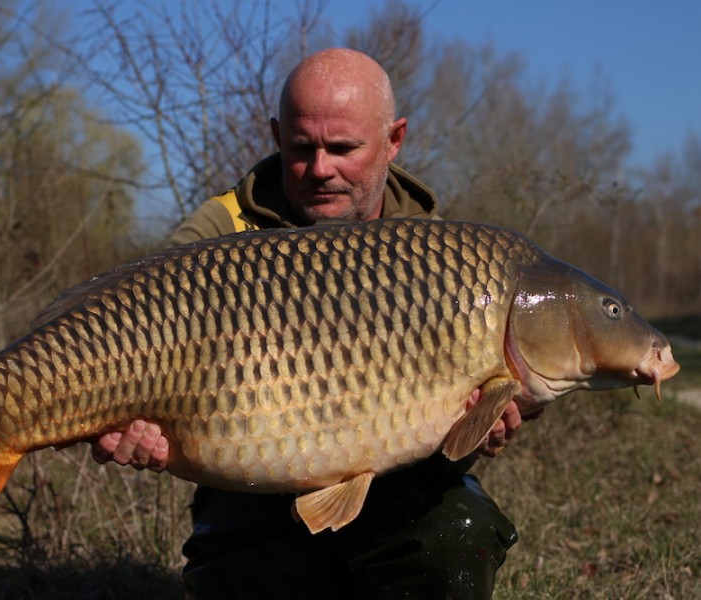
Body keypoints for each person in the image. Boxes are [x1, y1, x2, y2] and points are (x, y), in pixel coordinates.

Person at [93, 48, 528, 599]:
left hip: (400, 499)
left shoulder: (441, 253)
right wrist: (135, 424)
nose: (321, 168)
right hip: (251, 504)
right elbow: (132, 332)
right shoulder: (220, 229)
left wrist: (482, 430)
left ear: (394, 140)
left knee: (459, 535)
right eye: (301, 148)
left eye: (343, 148)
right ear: (277, 135)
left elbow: (447, 430)